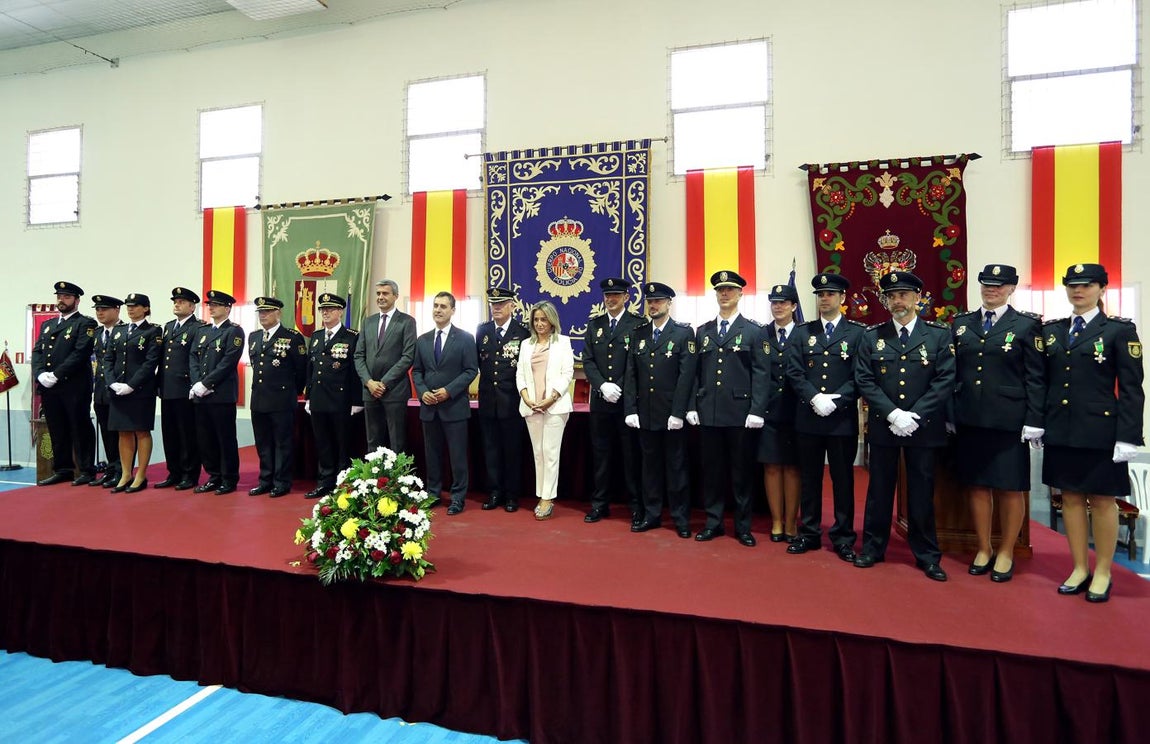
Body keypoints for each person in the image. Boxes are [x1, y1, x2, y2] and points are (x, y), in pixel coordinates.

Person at [1042, 263, 1144, 603]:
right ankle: (1079, 567)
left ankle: (1102, 571)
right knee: (1070, 498)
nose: (1078, 291)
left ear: (1102, 289)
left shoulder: (1118, 330)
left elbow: (1131, 388)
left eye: (1086, 285)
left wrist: (1129, 435)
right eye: (1072, 285)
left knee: (1102, 500)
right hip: (1061, 427)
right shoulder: (1053, 331)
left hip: (1101, 431)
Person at [853, 271, 955, 581]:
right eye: (892, 296)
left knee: (922, 492)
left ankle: (927, 555)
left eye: (904, 295)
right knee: (879, 490)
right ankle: (873, 548)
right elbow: (864, 379)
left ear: (917, 298)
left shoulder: (938, 335)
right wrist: (893, 414)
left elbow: (945, 379)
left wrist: (914, 415)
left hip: (923, 427)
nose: (898, 301)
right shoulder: (872, 336)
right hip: (885, 425)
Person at [952, 264, 1045, 582]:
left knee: (1010, 488)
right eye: (987, 284)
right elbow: (952, 373)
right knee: (977, 486)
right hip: (970, 418)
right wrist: (951, 414)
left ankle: (1006, 551)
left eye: (999, 285)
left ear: (1011, 289)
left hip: (1009, 421)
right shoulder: (962, 324)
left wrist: (1035, 419)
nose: (992, 289)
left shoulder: (1026, 325)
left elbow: (1036, 376)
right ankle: (983, 548)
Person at [785, 273, 867, 562]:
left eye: (830, 294)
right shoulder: (802, 332)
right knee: (810, 478)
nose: (825, 298)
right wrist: (814, 398)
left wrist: (837, 400)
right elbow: (794, 371)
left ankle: (843, 537)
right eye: (821, 294)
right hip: (809, 417)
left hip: (841, 419)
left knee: (843, 480)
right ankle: (808, 532)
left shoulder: (857, 333)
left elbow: (861, 375)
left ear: (842, 298)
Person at [689, 270, 769, 547]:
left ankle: (743, 526)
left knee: (741, 473)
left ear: (740, 294)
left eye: (730, 290)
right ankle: (713, 522)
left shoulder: (754, 331)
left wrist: (757, 409)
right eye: (720, 290)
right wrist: (692, 405)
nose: (724, 294)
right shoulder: (704, 331)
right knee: (712, 472)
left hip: (740, 414)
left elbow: (761, 374)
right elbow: (695, 373)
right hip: (709, 412)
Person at [623, 282, 698, 537]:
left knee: (676, 468)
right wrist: (631, 409)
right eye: (650, 301)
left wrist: (678, 412)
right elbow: (631, 374)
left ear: (669, 303)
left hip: (671, 415)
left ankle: (680, 518)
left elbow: (686, 376)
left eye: (658, 301)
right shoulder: (639, 333)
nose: (653, 305)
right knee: (650, 468)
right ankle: (651, 514)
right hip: (646, 413)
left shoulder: (683, 333)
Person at [581, 277, 647, 524]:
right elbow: (588, 360)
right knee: (601, 456)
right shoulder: (595, 325)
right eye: (607, 296)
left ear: (626, 298)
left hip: (627, 403)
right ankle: (600, 504)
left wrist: (618, 386)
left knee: (631, 456)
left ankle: (636, 506)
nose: (611, 299)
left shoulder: (637, 324)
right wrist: (602, 385)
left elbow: (637, 361)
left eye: (616, 295)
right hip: (600, 402)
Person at [412, 291, 478, 514]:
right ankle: (433, 493)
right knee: (432, 455)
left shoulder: (465, 338)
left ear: (453, 310)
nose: (438, 310)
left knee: (457, 456)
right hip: (429, 408)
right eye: (435, 306)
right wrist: (422, 392)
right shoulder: (422, 340)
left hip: (454, 407)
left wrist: (448, 391)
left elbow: (471, 370)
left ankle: (458, 497)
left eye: (443, 306)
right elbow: (417, 371)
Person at [32, 280, 98, 486]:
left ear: (76, 301)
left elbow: (80, 353)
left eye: (67, 297)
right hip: (49, 387)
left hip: (74, 385)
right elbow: (38, 351)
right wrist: (40, 374)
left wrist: (56, 375)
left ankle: (86, 470)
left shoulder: (85, 324)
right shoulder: (48, 325)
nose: (61, 300)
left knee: (79, 426)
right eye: (59, 297)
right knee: (56, 427)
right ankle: (63, 469)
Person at [516, 300, 575, 520]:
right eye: (536, 320)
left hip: (555, 406)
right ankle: (541, 493)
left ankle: (548, 498)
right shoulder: (526, 344)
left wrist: (550, 399)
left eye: (544, 319)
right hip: (531, 406)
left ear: (552, 321)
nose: (540, 324)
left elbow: (567, 374)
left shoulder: (563, 342)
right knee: (538, 453)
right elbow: (520, 374)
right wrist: (527, 398)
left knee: (551, 453)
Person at [476, 286, 531, 512]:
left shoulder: (523, 332)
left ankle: (511, 495)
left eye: (501, 304)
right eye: (493, 304)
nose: (496, 307)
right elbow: (478, 363)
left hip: (512, 402)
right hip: (488, 402)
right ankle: (494, 492)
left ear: (512, 306)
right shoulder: (483, 330)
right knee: (491, 450)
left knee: (512, 451)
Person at [304, 293, 363, 499]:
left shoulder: (352, 336)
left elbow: (355, 371)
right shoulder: (317, 336)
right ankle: (324, 482)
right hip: (319, 398)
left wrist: (357, 400)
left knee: (343, 444)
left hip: (341, 400)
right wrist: (309, 396)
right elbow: (310, 368)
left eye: (330, 309)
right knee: (323, 443)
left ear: (340, 312)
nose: (325, 312)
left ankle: (343, 484)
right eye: (322, 309)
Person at [248, 296, 308, 497]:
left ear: (278, 313)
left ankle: (281, 482)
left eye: (267, 311)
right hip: (259, 399)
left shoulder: (292, 337)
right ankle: (265, 480)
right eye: (260, 312)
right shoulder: (254, 336)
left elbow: (301, 371)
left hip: (281, 399)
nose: (263, 315)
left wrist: (291, 391)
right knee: (263, 443)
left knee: (282, 443)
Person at [104, 293, 163, 493]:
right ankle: (126, 473)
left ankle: (141, 475)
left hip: (140, 391)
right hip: (118, 389)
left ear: (145, 308)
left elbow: (150, 362)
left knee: (141, 431)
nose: (130, 309)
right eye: (128, 306)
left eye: (135, 306)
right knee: (123, 431)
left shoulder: (153, 330)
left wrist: (131, 385)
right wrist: (112, 383)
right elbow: (108, 359)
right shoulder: (119, 330)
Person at [189, 289, 245, 495]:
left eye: (216, 305)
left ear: (227, 308)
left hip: (221, 395)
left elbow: (228, 362)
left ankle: (228, 478)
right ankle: (213, 475)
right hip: (201, 394)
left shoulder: (234, 331)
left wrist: (206, 384)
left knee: (225, 438)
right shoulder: (203, 331)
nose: (211, 308)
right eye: (209, 305)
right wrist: (197, 383)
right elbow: (193, 357)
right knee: (206, 439)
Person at [759, 282, 802, 542]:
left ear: (794, 306)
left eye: (783, 303)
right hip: (768, 411)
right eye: (774, 303)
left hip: (797, 411)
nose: (778, 307)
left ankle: (791, 522)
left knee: (794, 468)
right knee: (772, 467)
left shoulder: (804, 334)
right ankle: (776, 521)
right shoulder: (762, 334)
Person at [353, 279, 416, 455]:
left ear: (395, 296)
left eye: (385, 293)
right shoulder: (368, 322)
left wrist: (384, 383)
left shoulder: (407, 322)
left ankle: (397, 474)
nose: (380, 297)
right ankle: (374, 473)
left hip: (395, 391)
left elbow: (408, 356)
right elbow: (358, 355)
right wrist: (369, 382)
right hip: (370, 391)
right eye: (378, 293)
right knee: (373, 442)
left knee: (397, 441)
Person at [155, 287, 206, 490]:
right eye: (175, 301)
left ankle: (189, 473)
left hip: (185, 388)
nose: (177, 304)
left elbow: (197, 359)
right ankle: (174, 472)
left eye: (182, 302)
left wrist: (195, 384)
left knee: (187, 434)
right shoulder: (168, 327)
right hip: (167, 387)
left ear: (192, 307)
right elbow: (163, 359)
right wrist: (158, 383)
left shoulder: (198, 327)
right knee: (170, 434)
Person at [89, 295, 126, 488]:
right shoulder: (96, 334)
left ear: (117, 310)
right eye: (97, 309)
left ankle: (122, 470)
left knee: (121, 433)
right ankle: (111, 469)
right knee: (106, 432)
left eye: (104, 309)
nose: (100, 312)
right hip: (101, 391)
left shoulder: (125, 331)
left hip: (120, 390)